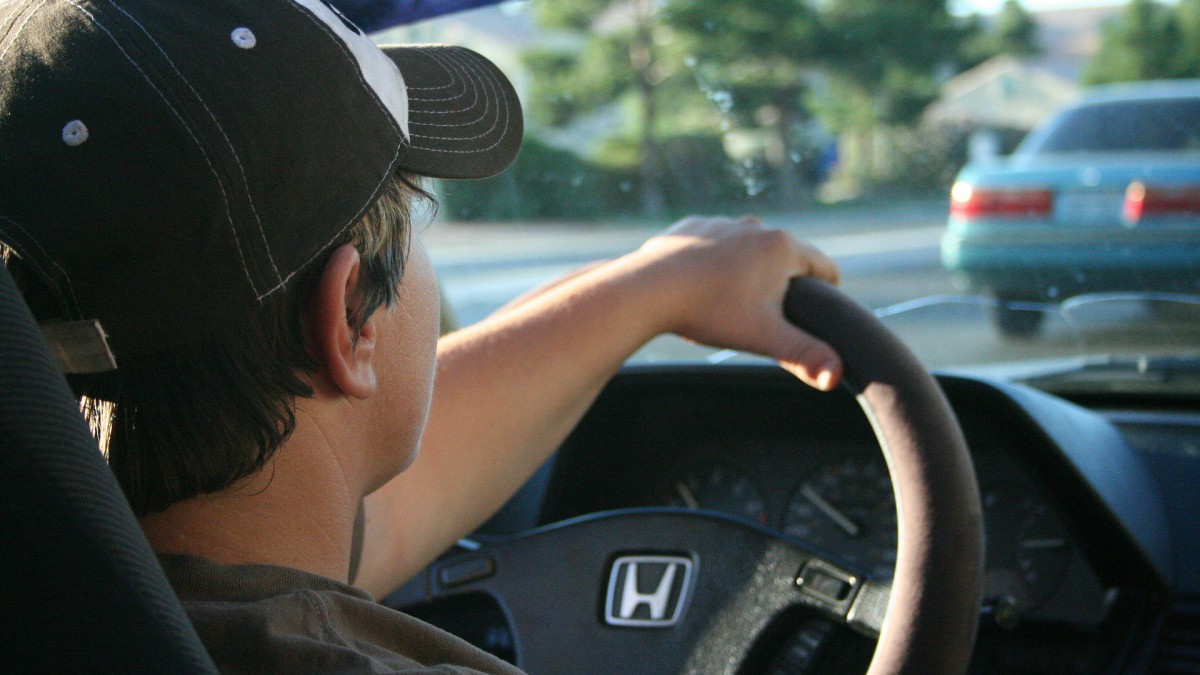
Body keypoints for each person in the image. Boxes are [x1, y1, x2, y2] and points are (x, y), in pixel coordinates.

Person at [0, 0, 842, 672]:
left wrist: (657, 285)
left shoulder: (77, 596)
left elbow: (363, 512)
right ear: (352, 319)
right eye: (416, 224)